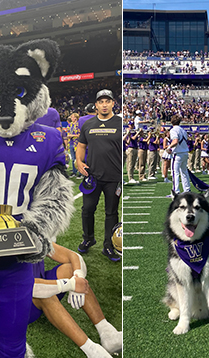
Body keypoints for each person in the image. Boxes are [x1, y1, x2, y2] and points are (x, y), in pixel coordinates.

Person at [29, 243, 122, 358]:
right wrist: (70, 285)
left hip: (36, 288)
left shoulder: (34, 235)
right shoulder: (7, 239)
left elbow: (73, 256)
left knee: (71, 269)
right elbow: (25, 287)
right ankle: (92, 351)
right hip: (16, 306)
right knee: (44, 294)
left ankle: (107, 332)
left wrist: (78, 276)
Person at [76, 89, 122, 262]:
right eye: (101, 101)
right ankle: (88, 238)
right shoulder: (88, 124)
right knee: (87, 209)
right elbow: (81, 145)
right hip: (92, 175)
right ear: (96, 105)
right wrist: (79, 162)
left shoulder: (120, 122)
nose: (104, 104)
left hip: (114, 177)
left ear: (112, 103)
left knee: (111, 212)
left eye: (107, 101)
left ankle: (108, 246)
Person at [165, 115, 191, 196]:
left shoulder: (173, 130)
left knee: (175, 172)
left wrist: (169, 147)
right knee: (184, 172)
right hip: (185, 152)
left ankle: (175, 191)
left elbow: (175, 141)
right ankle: (187, 189)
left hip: (178, 153)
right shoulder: (183, 130)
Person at [67, 112, 81, 178]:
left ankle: (80, 173)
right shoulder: (70, 125)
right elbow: (68, 133)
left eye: (72, 117)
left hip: (77, 143)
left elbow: (80, 135)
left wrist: (72, 135)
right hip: (71, 143)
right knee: (73, 159)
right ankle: (74, 172)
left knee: (78, 159)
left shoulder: (79, 125)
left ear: (76, 118)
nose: (71, 118)